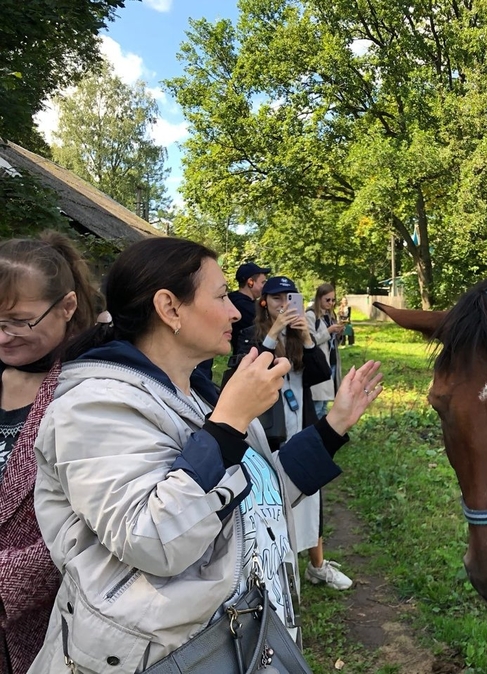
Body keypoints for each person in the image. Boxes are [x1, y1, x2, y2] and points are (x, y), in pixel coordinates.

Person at [28, 237, 383, 673]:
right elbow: (154, 539)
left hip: (242, 643)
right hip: (171, 657)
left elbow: (258, 493)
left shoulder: (199, 396)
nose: (236, 310)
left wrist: (332, 427)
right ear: (169, 307)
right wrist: (228, 424)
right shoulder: (93, 408)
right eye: (219, 296)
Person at [0, 233, 97, 674]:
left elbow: (94, 523)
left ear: (68, 307)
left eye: (20, 321)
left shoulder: (94, 392)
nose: (3, 337)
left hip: (51, 630)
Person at [234, 276, 353, 591]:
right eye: (276, 299)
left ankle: (317, 566)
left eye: (289, 298)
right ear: (264, 302)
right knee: (270, 502)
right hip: (268, 433)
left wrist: (309, 339)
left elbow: (320, 375)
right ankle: (275, 569)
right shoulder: (251, 336)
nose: (284, 305)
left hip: (302, 425)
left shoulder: (301, 335)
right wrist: (272, 335)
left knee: (310, 497)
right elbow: (243, 375)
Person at [307, 284, 343, 419]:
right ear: (319, 298)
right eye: (327, 300)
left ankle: (320, 435)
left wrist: (338, 334)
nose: (331, 303)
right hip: (318, 364)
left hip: (331, 362)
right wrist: (329, 331)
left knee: (324, 404)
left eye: (333, 300)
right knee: (317, 403)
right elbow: (309, 341)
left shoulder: (329, 315)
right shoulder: (311, 315)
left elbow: (332, 343)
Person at [227, 261, 271, 353]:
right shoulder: (242, 305)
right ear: (250, 282)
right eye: (262, 282)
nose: (265, 287)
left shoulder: (236, 301)